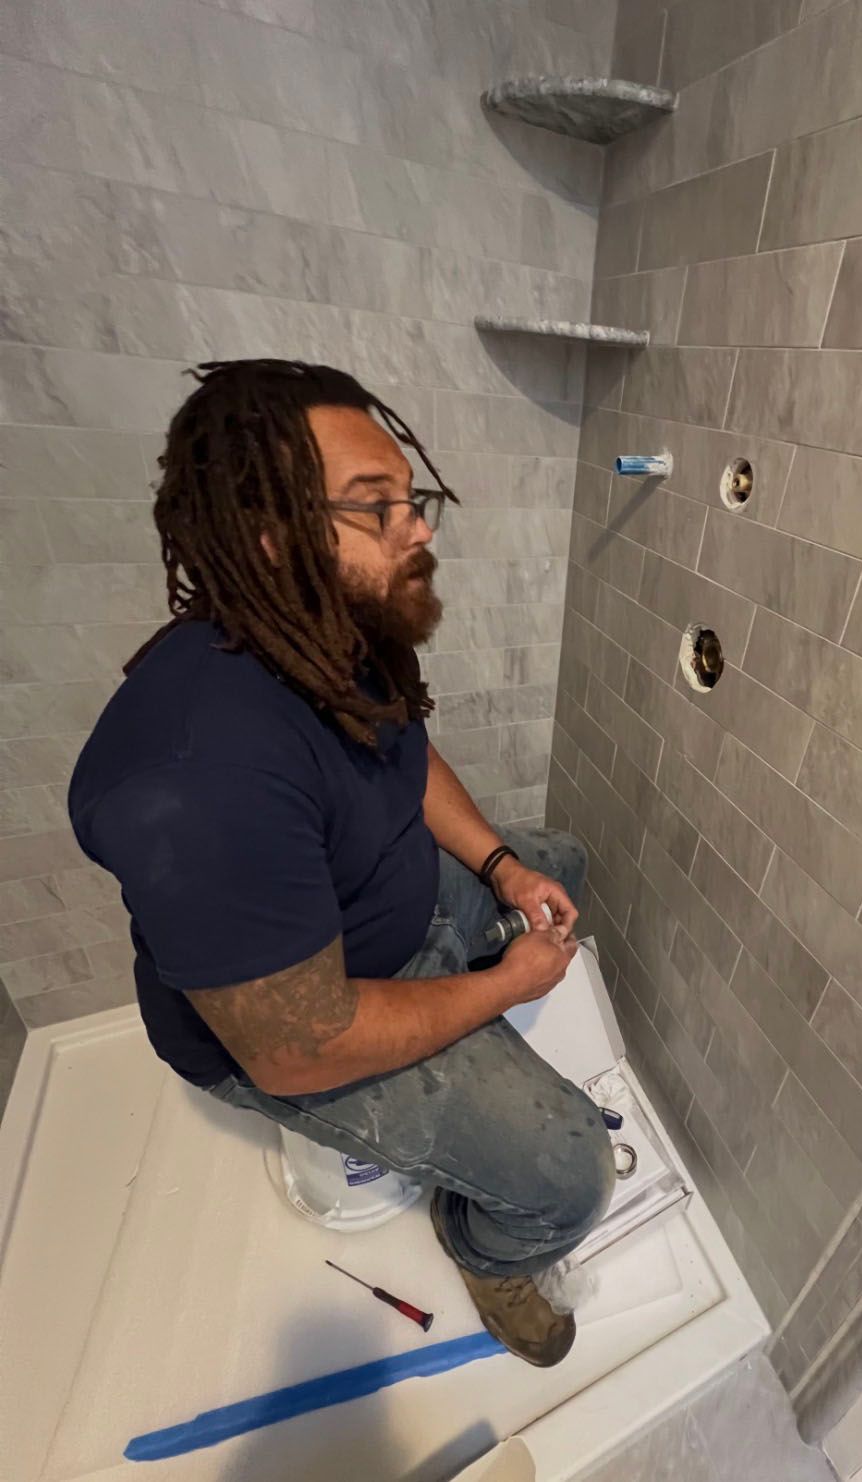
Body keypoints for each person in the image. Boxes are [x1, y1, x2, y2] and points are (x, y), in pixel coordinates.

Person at [68, 359, 614, 1368]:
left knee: (561, 862)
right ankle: (486, 1250)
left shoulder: (322, 634)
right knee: (571, 1177)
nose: (422, 529)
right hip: (302, 1024)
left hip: (380, 919)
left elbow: (404, 750)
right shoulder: (198, 779)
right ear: (271, 538)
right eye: (377, 507)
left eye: (412, 498)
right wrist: (504, 986)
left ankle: (478, 1003)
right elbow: (299, 1048)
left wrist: (500, 867)